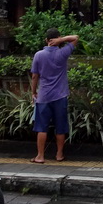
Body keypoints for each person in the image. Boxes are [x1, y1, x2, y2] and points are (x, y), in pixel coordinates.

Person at [30, 28, 80, 164]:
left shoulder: (38, 55)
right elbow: (76, 37)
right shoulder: (63, 53)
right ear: (57, 39)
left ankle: (40, 156)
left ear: (46, 40)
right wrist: (62, 40)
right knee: (60, 126)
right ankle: (59, 154)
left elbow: (35, 76)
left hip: (44, 95)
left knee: (41, 127)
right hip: (60, 95)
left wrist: (34, 92)